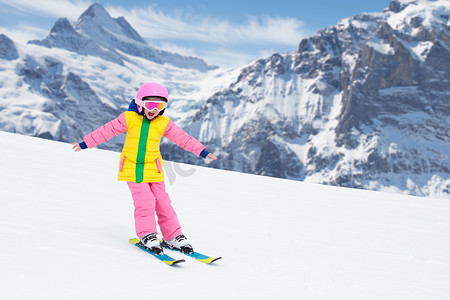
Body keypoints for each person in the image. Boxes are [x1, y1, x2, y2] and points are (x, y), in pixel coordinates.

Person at [72, 82, 217, 255]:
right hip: (132, 169)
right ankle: (147, 234)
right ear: (140, 103)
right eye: (150, 104)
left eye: (159, 105)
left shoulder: (164, 123)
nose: (154, 109)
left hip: (153, 170)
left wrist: (201, 151)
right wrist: (85, 143)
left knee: (163, 202)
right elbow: (107, 131)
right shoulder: (129, 118)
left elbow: (182, 138)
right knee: (145, 201)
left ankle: (173, 235)